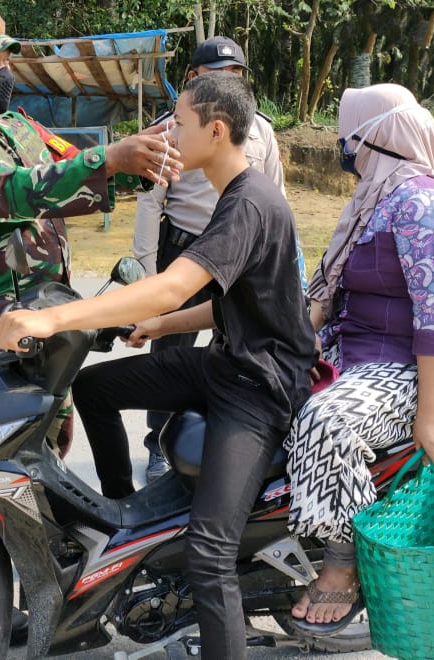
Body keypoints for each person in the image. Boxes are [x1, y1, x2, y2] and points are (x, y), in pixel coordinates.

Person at [0, 72, 316, 660]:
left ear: (216, 132)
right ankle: (129, 534)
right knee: (94, 387)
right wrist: (162, 328)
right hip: (225, 365)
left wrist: (52, 321)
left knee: (209, 554)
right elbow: (231, 301)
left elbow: (172, 286)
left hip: (257, 390)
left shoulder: (248, 201)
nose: (167, 133)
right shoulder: (235, 193)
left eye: (180, 123)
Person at [0, 9, 180, 457]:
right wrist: (110, 159)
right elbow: (10, 191)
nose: (5, 72)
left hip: (53, 318)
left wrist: (145, 158)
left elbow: (69, 168)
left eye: (6, 60)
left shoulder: (21, 127)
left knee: (50, 446)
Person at [284, 83, 434, 636]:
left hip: (409, 369)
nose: (342, 147)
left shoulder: (423, 204)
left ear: (374, 138)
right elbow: (325, 295)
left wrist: (430, 413)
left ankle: (342, 564)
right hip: (357, 356)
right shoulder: (373, 199)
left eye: (348, 137)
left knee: (324, 421)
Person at [131, 35, 290, 483]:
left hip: (239, 257)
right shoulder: (171, 129)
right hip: (184, 252)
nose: (226, 83)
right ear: (193, 78)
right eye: (215, 75)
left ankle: (212, 443)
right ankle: (159, 443)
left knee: (232, 350)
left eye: (234, 75)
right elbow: (149, 203)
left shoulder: (261, 130)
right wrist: (147, 273)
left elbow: (275, 195)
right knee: (169, 353)